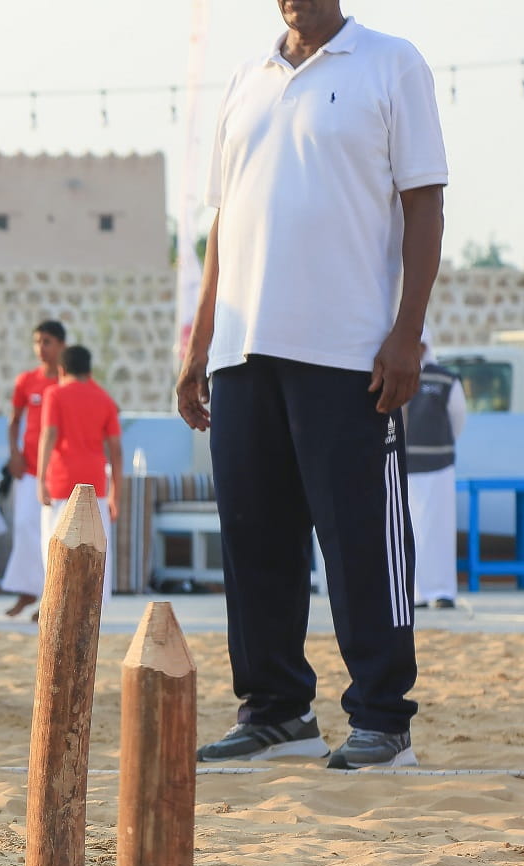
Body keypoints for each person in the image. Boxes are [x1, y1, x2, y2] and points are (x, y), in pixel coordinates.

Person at [176, 2, 446, 769]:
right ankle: (275, 712)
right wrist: (200, 345)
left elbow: (424, 204)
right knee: (256, 541)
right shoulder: (246, 78)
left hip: (349, 349)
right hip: (241, 350)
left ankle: (382, 719)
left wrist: (407, 332)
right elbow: (223, 225)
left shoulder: (391, 63)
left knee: (362, 539)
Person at [37, 344, 121, 606]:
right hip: (96, 486)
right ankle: (95, 608)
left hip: (62, 484)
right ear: (90, 370)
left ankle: (57, 605)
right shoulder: (105, 399)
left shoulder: (55, 394)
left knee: (54, 550)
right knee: (96, 551)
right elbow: (116, 450)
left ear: (61, 369)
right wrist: (116, 492)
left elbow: (49, 435)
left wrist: (41, 479)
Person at [0, 320, 67, 616]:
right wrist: (14, 454)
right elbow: (14, 420)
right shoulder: (26, 380)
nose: (42, 348)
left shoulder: (68, 382)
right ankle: (28, 592)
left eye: (48, 341)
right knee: (26, 526)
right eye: (38, 341)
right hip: (28, 469)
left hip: (60, 471)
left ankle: (50, 599)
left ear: (62, 345)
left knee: (55, 533)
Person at [404, 345, 466, 609]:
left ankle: (441, 591)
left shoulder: (445, 379)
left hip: (439, 467)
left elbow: (458, 419)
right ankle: (415, 594)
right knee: (411, 531)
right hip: (405, 467)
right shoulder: (397, 375)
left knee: (438, 530)